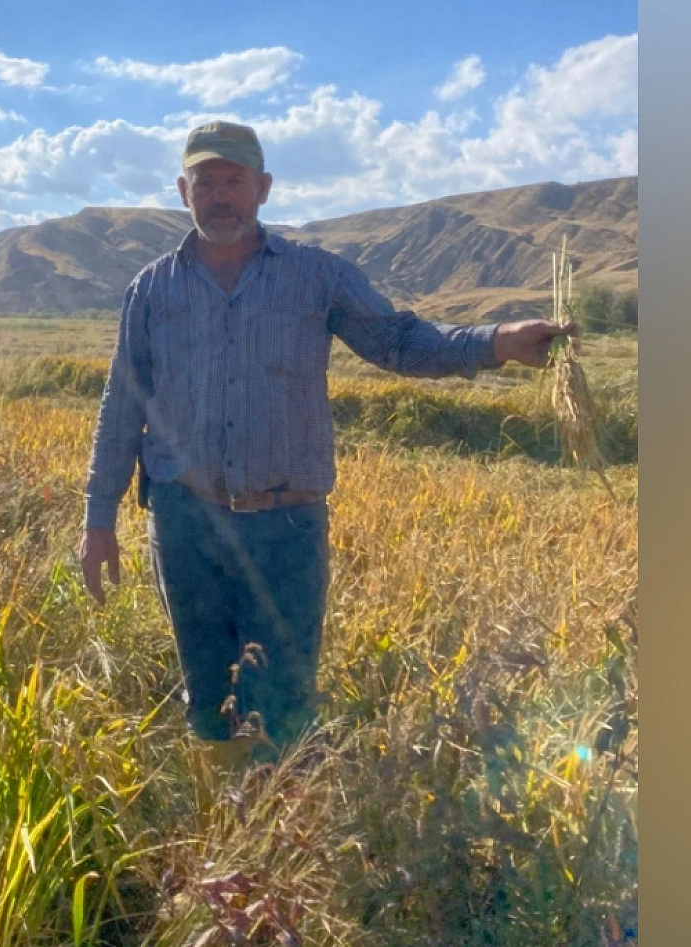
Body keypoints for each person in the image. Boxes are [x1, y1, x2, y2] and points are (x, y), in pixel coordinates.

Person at [79, 121, 570, 767]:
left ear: (263, 188)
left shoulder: (317, 277)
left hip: (286, 524)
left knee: (281, 703)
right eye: (206, 182)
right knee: (207, 694)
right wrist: (99, 516)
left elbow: (398, 341)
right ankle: (228, 832)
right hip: (185, 521)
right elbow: (124, 402)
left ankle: (277, 831)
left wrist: (496, 339)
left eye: (234, 180)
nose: (220, 196)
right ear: (182, 190)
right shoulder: (151, 288)